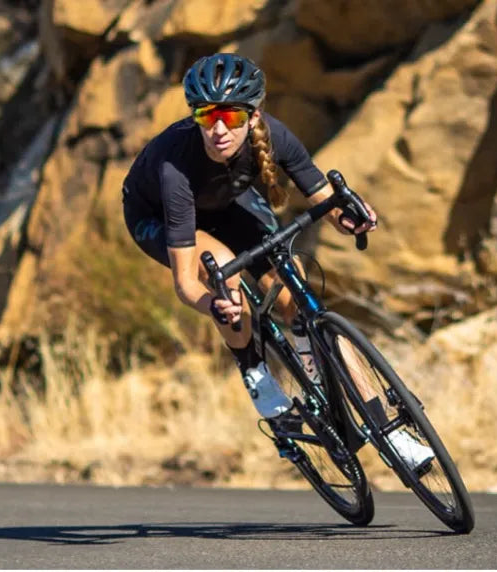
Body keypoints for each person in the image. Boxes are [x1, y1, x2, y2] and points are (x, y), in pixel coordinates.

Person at [121, 53, 433, 469]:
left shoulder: (276, 136)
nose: (217, 129)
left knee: (297, 299)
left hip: (229, 202)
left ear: (253, 117)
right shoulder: (174, 165)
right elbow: (186, 284)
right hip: (158, 216)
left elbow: (325, 200)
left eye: (230, 117)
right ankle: (256, 376)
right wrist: (212, 305)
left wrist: (351, 217)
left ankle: (389, 433)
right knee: (223, 270)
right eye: (205, 115)